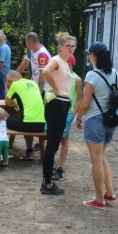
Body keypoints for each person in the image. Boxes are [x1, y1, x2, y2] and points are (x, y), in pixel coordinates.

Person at [73, 42, 118, 210]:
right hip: (110, 121)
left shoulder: (92, 75)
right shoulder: (115, 74)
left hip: (95, 120)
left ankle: (99, 199)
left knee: (96, 160)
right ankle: (110, 193)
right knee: (102, 157)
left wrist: (78, 117)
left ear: (93, 55)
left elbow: (85, 103)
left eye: (89, 54)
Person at [39, 34, 75, 191]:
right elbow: (45, 71)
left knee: (53, 145)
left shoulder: (65, 63)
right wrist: (57, 88)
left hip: (62, 105)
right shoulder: (56, 60)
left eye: (73, 46)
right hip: (57, 104)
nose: (71, 48)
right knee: (52, 146)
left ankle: (47, 181)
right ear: (60, 46)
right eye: (68, 45)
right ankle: (47, 183)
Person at [5, 70, 52, 177]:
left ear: (16, 78)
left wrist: (14, 102)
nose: (8, 84)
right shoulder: (33, 83)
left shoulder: (15, 85)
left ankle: (7, 147)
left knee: (9, 120)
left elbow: (7, 102)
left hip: (27, 124)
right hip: (41, 125)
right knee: (23, 117)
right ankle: (29, 150)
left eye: (9, 81)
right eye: (7, 82)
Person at [53, 54, 82, 182]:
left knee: (64, 140)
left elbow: (80, 98)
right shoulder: (58, 77)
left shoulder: (76, 79)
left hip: (67, 113)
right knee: (53, 138)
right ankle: (52, 164)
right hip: (56, 111)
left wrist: (73, 114)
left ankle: (60, 167)